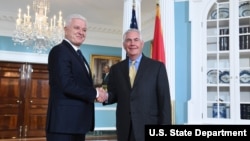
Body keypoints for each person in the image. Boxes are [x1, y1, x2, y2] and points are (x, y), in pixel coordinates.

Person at [102, 28, 172, 141]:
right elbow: (114, 94)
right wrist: (105, 96)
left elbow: (164, 101)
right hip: (125, 128)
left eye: (136, 39)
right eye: (129, 40)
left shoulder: (157, 67)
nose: (132, 43)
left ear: (142, 43)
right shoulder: (116, 69)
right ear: (124, 45)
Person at [46, 14, 106, 141]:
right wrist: (95, 93)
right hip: (63, 125)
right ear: (65, 29)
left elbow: (81, 85)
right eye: (77, 28)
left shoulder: (77, 53)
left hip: (76, 124)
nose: (81, 32)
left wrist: (96, 93)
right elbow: (67, 85)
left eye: (84, 30)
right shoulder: (60, 51)